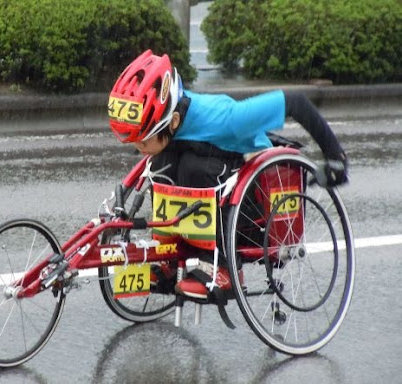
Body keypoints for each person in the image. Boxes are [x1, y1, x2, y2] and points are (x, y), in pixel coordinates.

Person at [108, 50, 348, 300]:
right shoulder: (170, 111)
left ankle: (223, 270)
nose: (138, 148)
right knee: (161, 165)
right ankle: (169, 258)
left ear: (174, 121)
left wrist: (335, 157)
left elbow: (295, 102)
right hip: (213, 189)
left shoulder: (227, 119)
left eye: (143, 141)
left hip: (254, 203)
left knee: (193, 167)